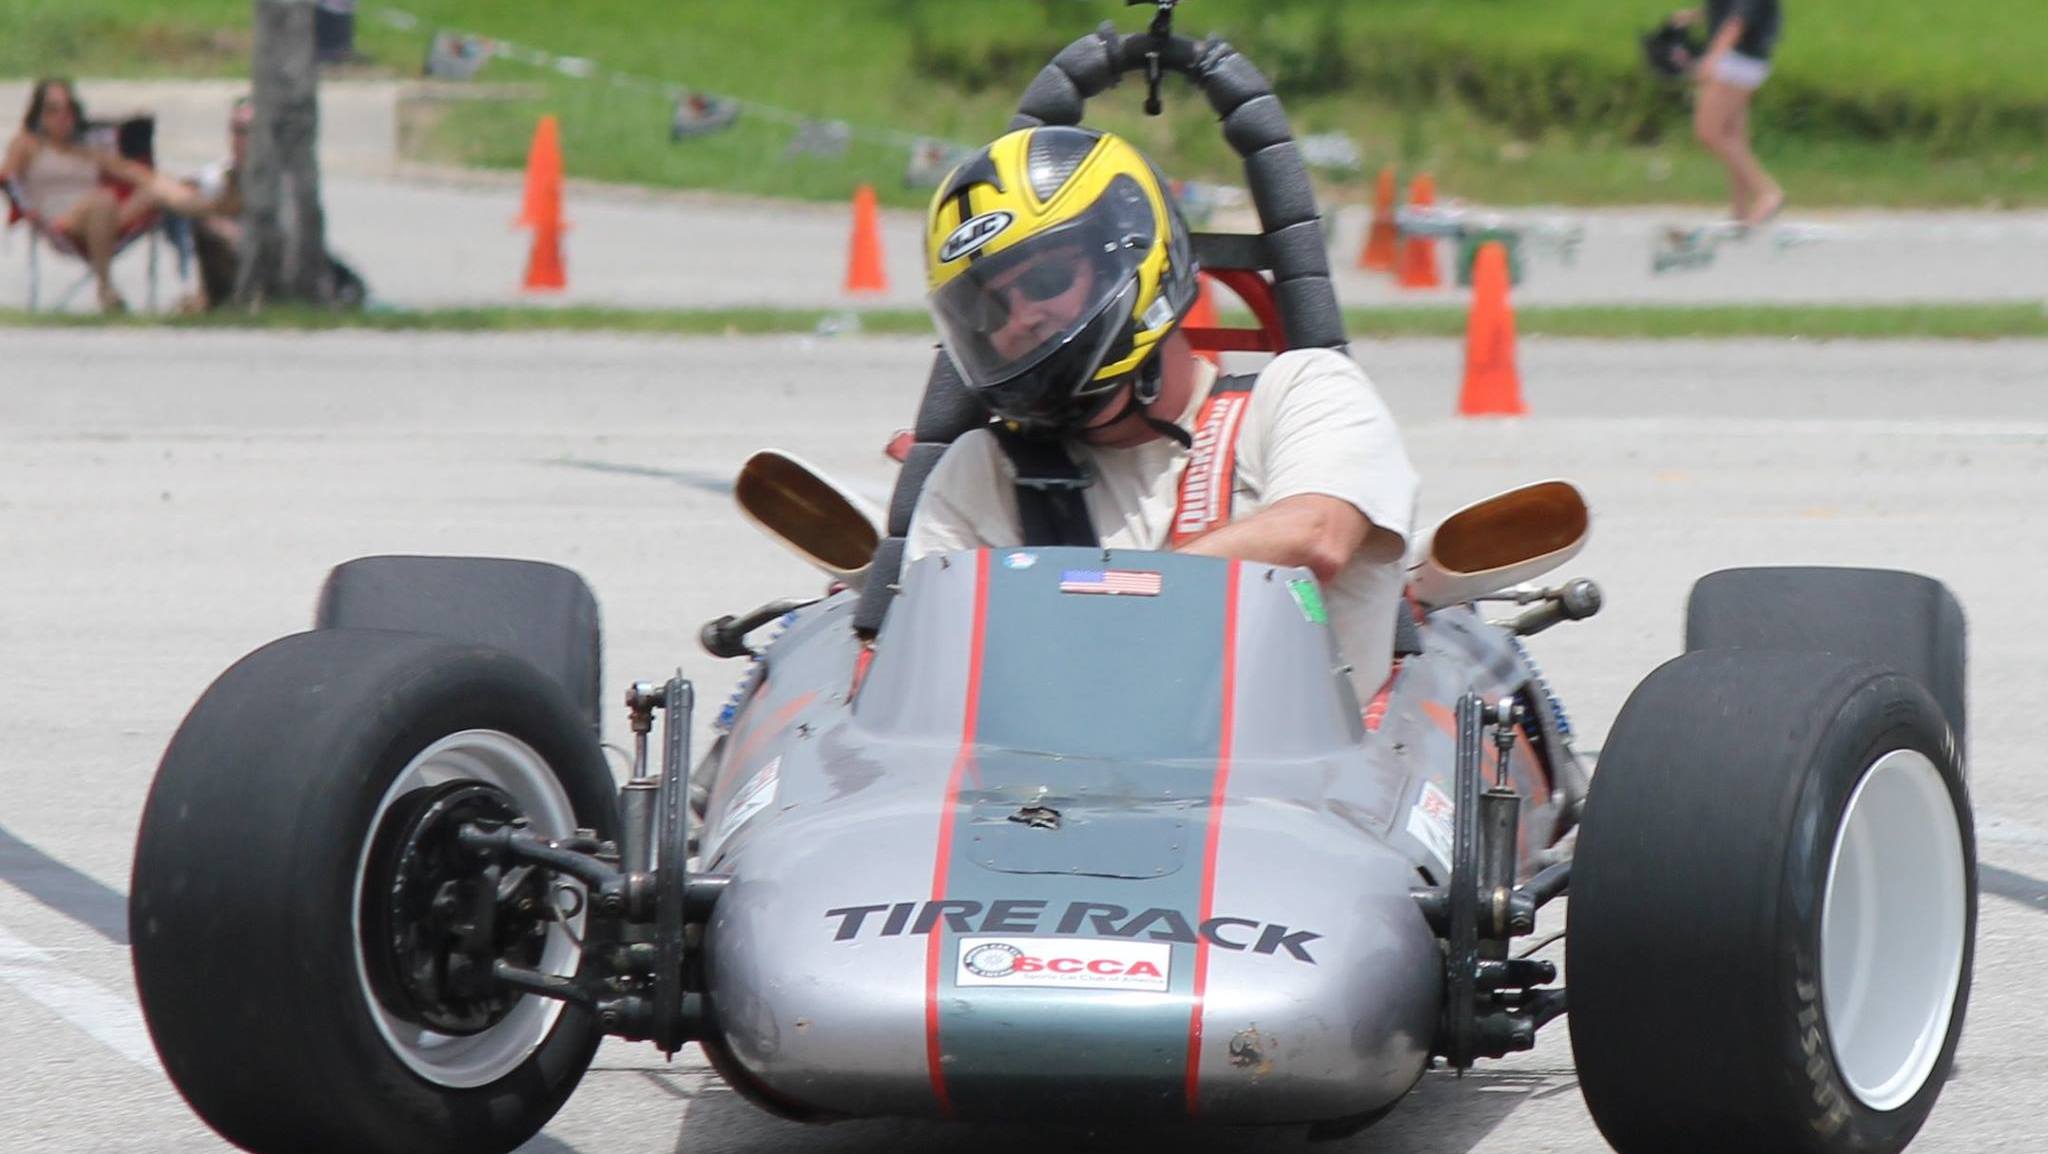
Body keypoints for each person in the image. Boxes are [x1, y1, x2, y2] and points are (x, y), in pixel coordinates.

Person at [907, 126, 1419, 701]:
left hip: (1298, 754)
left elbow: (1316, 536)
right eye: (991, 309)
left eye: (1048, 279)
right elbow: (934, 677)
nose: (1021, 318)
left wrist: (1095, 601)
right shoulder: (982, 472)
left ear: (1128, 258)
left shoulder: (1302, 392)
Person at [0, 78, 162, 312]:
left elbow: (130, 171)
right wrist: (24, 208)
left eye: (68, 109)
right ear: (38, 114)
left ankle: (209, 209)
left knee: (156, 190)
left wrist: (168, 186)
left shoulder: (85, 147)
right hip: (61, 222)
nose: (61, 117)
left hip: (106, 220)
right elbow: (8, 179)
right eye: (52, 110)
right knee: (103, 200)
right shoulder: (28, 144)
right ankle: (106, 288)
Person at [1671, 0, 1784, 226]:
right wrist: (1695, 15)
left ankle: (1767, 192)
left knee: (1709, 132)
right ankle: (1740, 210)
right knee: (1733, 136)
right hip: (1743, 56)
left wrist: (1713, 58)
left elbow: (1738, 19)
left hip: (1737, 59)